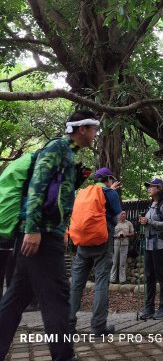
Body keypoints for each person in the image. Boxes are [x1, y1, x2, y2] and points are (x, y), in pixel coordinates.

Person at [0, 109, 99, 361]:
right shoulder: (57, 148)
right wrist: (33, 229)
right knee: (57, 298)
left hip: (43, 233)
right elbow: (37, 186)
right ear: (83, 129)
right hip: (41, 236)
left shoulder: (67, 153)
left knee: (15, 299)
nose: (96, 134)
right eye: (94, 129)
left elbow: (56, 195)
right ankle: (64, 356)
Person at [69, 167, 122, 336]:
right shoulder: (110, 193)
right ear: (108, 179)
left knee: (76, 284)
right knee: (101, 283)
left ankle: (68, 324)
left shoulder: (83, 192)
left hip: (82, 242)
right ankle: (98, 325)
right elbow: (118, 217)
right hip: (102, 240)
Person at [138, 178, 163, 320]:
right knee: (149, 276)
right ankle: (149, 308)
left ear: (159, 188)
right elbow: (149, 224)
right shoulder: (151, 205)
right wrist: (143, 222)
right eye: (148, 186)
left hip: (160, 246)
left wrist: (149, 221)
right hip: (149, 245)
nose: (148, 189)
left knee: (162, 276)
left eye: (151, 186)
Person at [110, 211, 134, 284]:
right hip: (116, 244)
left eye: (124, 214)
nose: (124, 215)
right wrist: (116, 236)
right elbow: (111, 234)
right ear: (119, 215)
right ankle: (112, 279)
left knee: (122, 263)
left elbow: (133, 233)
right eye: (122, 214)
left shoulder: (129, 223)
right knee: (114, 262)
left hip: (125, 244)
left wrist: (126, 235)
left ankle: (122, 280)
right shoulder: (115, 223)